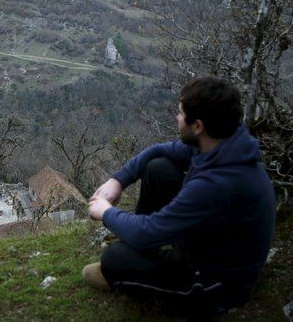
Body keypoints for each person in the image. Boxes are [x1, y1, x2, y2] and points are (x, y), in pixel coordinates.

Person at [84, 76, 276, 318]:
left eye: (181, 113)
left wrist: (105, 211)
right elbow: (158, 150)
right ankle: (142, 250)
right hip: (211, 241)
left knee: (114, 259)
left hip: (216, 283)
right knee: (158, 167)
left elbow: (147, 232)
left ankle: (130, 267)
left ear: (197, 126)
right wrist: (118, 181)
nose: (177, 118)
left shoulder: (217, 184)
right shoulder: (221, 144)